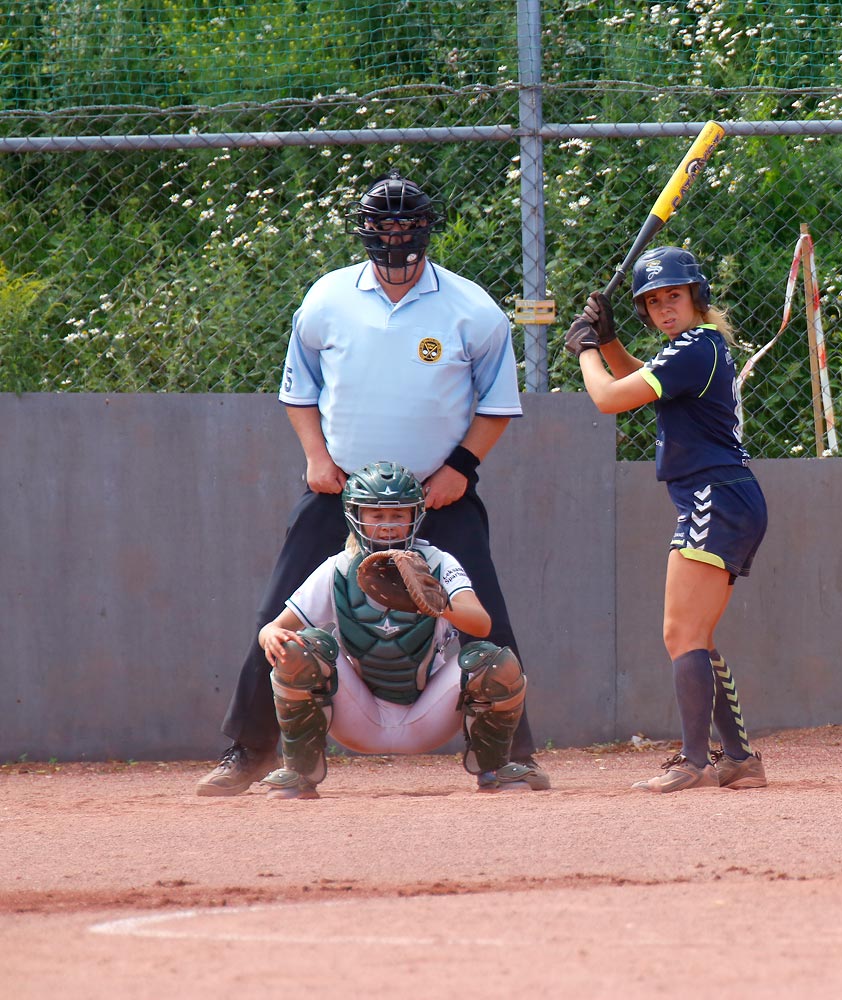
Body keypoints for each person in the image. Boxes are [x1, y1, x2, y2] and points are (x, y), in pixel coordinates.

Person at [197, 171, 547, 795]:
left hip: (437, 494)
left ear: (425, 235)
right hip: (342, 492)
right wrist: (315, 456)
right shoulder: (328, 299)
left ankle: (508, 755)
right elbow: (299, 391)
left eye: (407, 232)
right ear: (367, 236)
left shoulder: (472, 309)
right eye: (384, 232)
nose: (396, 247)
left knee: (483, 615)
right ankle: (248, 750)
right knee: (279, 610)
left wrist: (459, 469)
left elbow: (496, 404)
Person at [564, 246, 769, 793]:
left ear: (696, 297)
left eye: (673, 295)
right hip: (722, 495)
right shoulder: (693, 350)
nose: (663, 308)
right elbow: (641, 381)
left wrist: (585, 351)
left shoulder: (694, 349)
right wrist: (607, 342)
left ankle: (695, 762)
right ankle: (740, 761)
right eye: (652, 301)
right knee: (694, 634)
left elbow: (609, 397)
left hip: (714, 496)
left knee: (682, 634)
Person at [260, 461, 534, 797]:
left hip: (427, 715)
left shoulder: (437, 562)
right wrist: (270, 635)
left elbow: (482, 622)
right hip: (358, 715)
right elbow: (274, 627)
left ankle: (494, 768)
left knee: (493, 661)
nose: (388, 526)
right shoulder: (338, 568)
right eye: (377, 516)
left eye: (398, 515)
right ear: (354, 514)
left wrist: (437, 604)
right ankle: (299, 772)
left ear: (415, 516)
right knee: (299, 648)